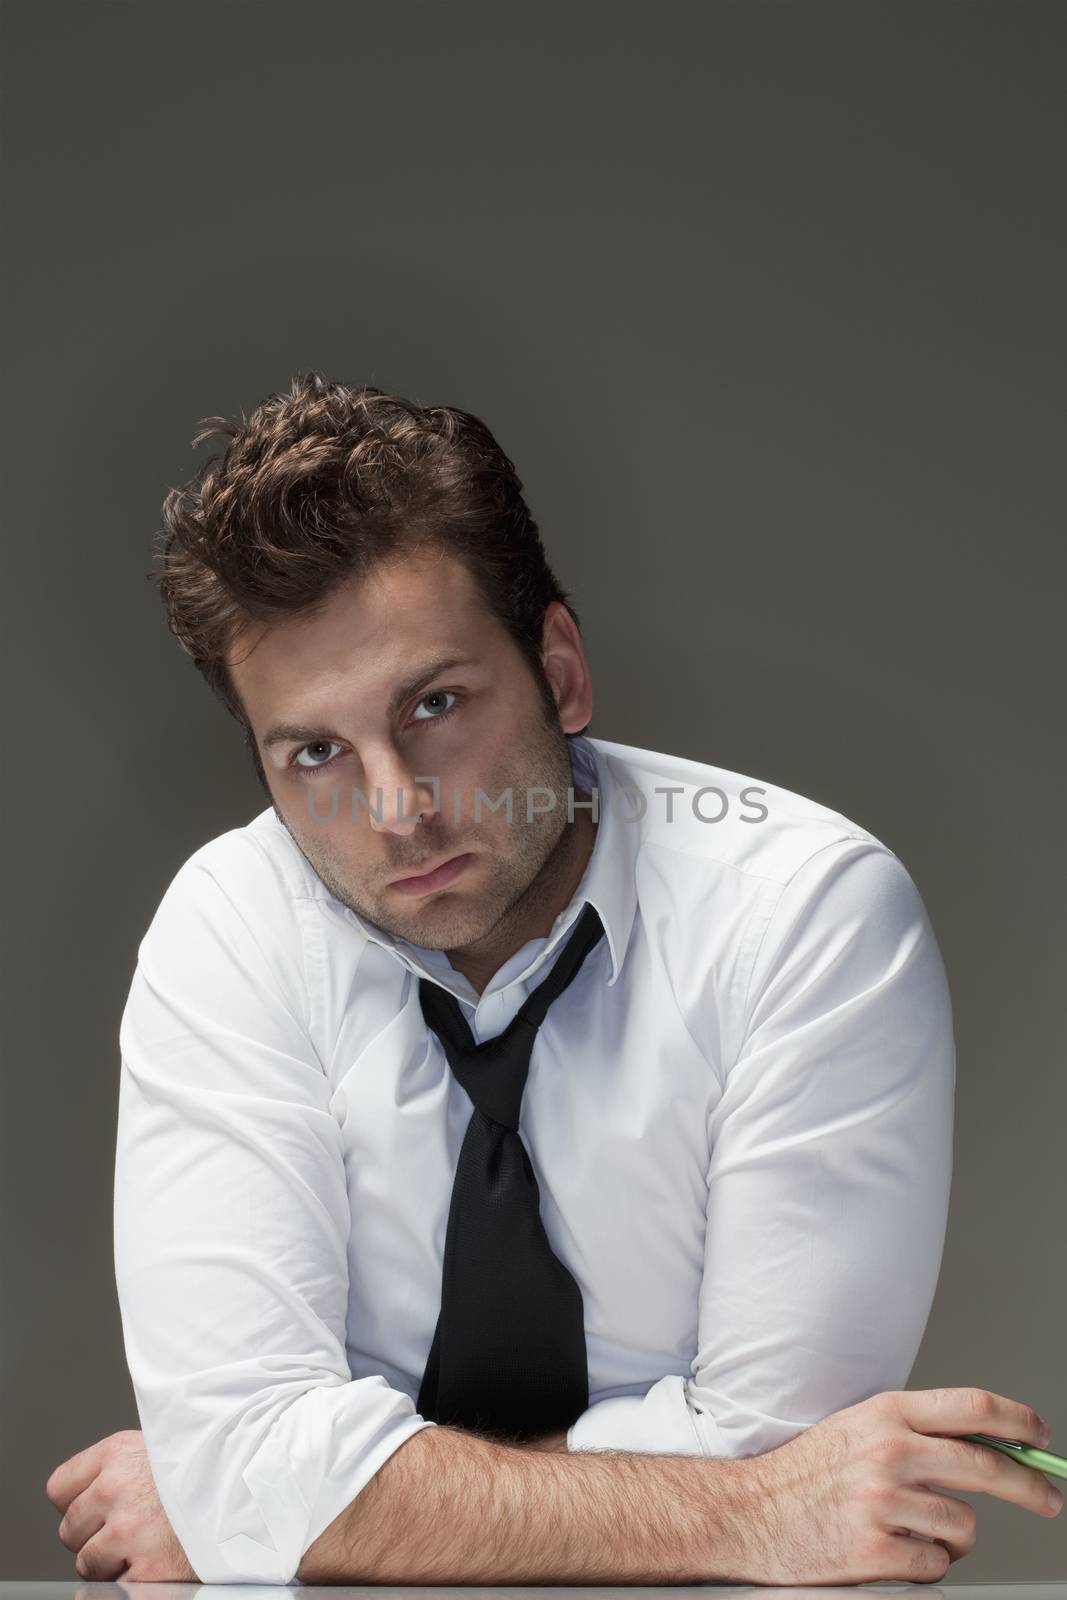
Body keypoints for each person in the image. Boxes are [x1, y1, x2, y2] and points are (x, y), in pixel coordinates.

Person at [44, 372, 1059, 1587]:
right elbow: (773, 1499)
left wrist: (289, 1500)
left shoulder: (800, 911)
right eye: (315, 751)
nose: (395, 810)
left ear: (560, 673)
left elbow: (782, 1451)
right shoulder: (229, 929)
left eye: (434, 704)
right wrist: (733, 1511)